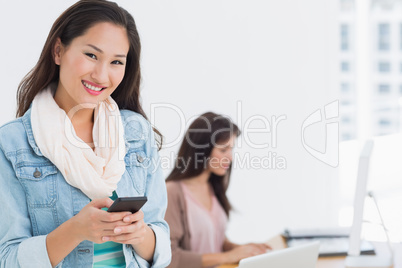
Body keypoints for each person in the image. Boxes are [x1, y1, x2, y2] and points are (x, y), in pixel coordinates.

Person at [0, 1, 171, 267]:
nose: (101, 75)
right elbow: (7, 258)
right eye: (91, 55)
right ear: (58, 51)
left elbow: (161, 244)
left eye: (116, 61)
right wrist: (76, 230)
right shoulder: (11, 143)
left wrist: (140, 234)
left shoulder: (136, 132)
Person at [165, 112, 271, 268]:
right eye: (223, 150)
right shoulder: (173, 192)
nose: (231, 157)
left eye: (231, 149)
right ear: (201, 149)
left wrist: (242, 249)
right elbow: (170, 258)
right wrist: (228, 256)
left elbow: (214, 239)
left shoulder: (212, 186)